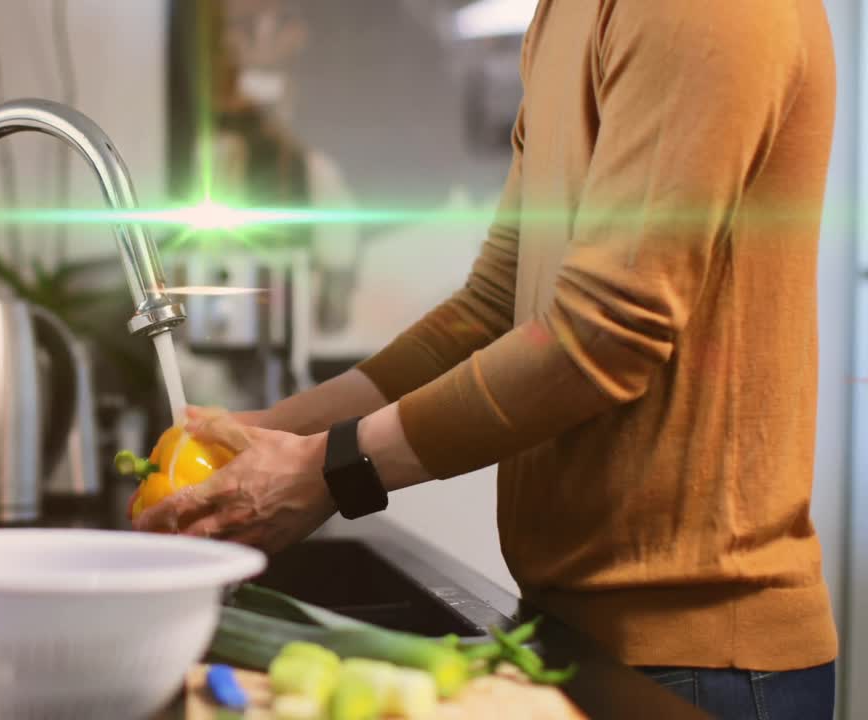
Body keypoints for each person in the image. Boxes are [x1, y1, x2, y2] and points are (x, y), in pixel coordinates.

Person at [134, 1, 838, 717]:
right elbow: (493, 306)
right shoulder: (564, 14)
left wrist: (328, 468)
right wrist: (270, 438)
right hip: (573, 628)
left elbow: (604, 333)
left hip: (701, 660)